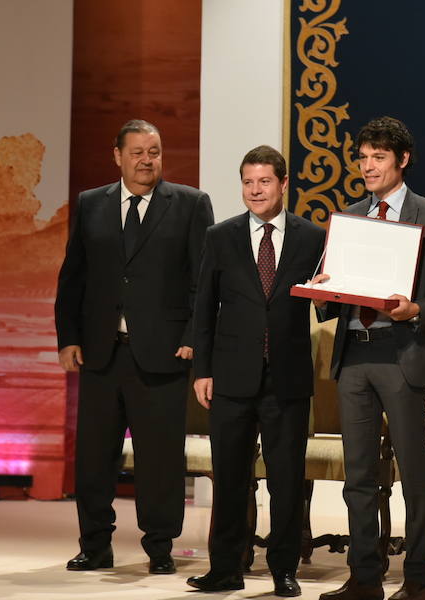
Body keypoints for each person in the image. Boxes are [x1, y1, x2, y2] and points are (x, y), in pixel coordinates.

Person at [54, 119, 214, 574]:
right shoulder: (91, 204)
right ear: (118, 156)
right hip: (101, 352)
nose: (148, 160)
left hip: (163, 353)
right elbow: (74, 277)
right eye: (139, 152)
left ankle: (160, 548)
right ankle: (95, 545)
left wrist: (192, 339)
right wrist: (68, 338)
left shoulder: (190, 204)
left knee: (161, 459)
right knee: (94, 458)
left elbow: (204, 282)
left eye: (156, 151)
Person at [313, 117, 425, 600]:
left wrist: (416, 308)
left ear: (402, 160)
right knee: (358, 475)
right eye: (362, 157)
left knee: (413, 472)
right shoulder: (351, 216)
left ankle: (418, 579)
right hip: (354, 353)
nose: (367, 166)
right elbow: (337, 293)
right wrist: (322, 292)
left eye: (378, 157)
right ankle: (364, 576)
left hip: (403, 354)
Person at [188, 145, 326, 597]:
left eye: (264, 181)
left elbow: (325, 304)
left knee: (286, 479)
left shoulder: (312, 237)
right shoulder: (221, 236)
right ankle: (224, 568)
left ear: (284, 185)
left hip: (287, 377)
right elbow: (204, 309)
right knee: (230, 477)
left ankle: (283, 570)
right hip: (230, 377)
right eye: (248, 182)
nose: (255, 190)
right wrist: (202, 370)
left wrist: (331, 291)